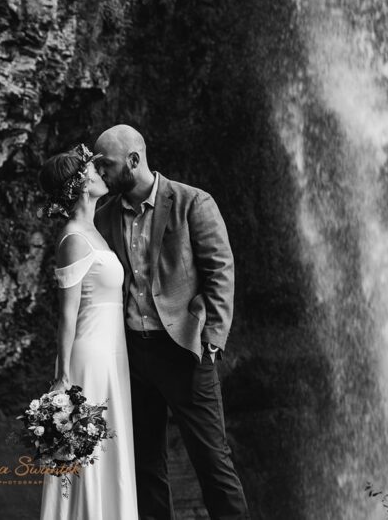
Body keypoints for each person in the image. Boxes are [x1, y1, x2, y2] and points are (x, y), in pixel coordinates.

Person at [92, 124, 249, 520]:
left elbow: (220, 272)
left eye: (105, 165)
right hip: (134, 357)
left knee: (213, 462)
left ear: (133, 160)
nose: (100, 174)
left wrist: (213, 337)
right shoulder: (105, 215)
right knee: (145, 465)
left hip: (185, 352)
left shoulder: (193, 202)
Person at [38, 143, 138, 519]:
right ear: (80, 184)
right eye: (92, 171)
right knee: (88, 450)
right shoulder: (74, 238)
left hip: (112, 355)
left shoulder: (92, 231)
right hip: (90, 359)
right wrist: (63, 378)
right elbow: (67, 315)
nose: (100, 173)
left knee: (109, 446)